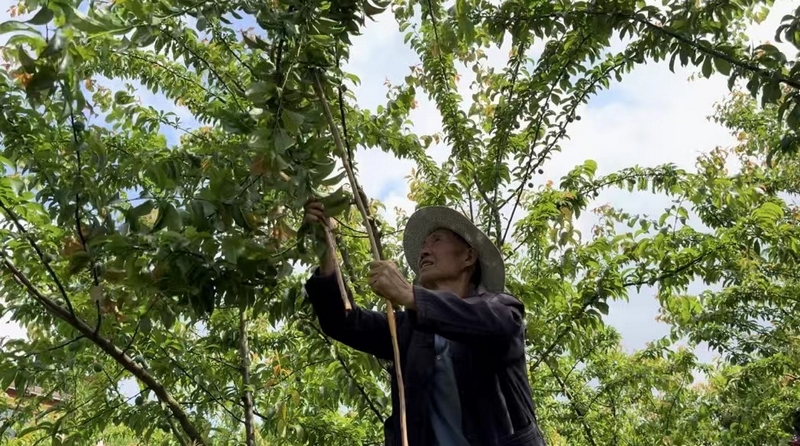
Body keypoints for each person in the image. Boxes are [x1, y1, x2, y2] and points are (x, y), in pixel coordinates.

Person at [303, 202, 546, 446]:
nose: (424, 251)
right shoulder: (409, 329)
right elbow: (344, 322)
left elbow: (496, 325)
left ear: (468, 256)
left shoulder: (501, 308)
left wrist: (410, 295)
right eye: (423, 245)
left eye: (436, 240)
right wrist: (327, 251)